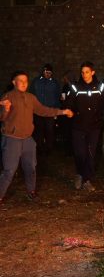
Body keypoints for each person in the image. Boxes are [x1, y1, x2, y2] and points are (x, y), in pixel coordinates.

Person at [0, 70, 73, 205]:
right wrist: (6, 109)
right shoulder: (8, 97)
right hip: (12, 139)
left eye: (25, 81)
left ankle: (31, 192)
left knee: (31, 167)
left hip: (27, 139)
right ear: (14, 82)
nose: (23, 83)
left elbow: (43, 110)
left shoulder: (30, 97)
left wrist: (62, 111)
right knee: (9, 171)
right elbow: (2, 118)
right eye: (20, 81)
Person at [65, 61, 104, 191]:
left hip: (94, 126)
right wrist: (68, 110)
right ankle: (79, 174)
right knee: (80, 153)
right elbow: (69, 102)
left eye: (87, 72)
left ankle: (87, 180)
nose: (84, 75)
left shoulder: (100, 86)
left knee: (90, 154)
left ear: (92, 72)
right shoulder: (76, 87)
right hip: (78, 126)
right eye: (82, 72)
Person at [29, 63, 61, 154]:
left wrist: (56, 111)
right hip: (38, 111)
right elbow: (31, 94)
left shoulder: (54, 83)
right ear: (43, 71)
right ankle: (39, 147)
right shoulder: (36, 81)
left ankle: (49, 148)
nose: (48, 74)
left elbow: (57, 96)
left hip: (50, 111)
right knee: (39, 130)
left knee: (49, 130)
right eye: (47, 72)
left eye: (50, 72)